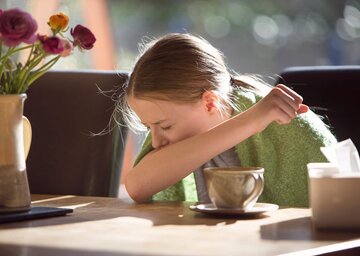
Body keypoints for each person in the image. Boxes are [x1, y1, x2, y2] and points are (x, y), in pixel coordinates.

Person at [117, 33, 337, 207]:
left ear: (210, 102)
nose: (156, 142)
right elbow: (137, 186)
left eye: (165, 126)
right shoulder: (174, 135)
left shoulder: (287, 126)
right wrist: (251, 121)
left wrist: (257, 119)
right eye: (148, 128)